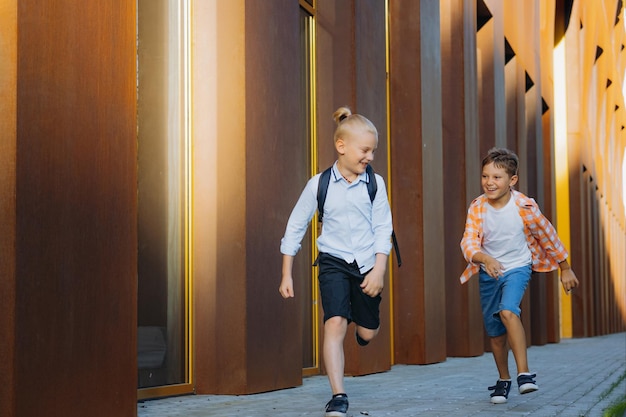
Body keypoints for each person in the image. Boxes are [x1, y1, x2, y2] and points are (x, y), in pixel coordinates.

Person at [279, 106, 393, 417]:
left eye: (373, 151)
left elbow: (384, 227)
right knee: (335, 323)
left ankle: (362, 324)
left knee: (367, 333)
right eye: (365, 150)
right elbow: (295, 226)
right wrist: (286, 273)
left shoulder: (375, 183)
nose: (369, 157)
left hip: (368, 264)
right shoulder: (319, 184)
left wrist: (379, 270)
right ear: (341, 147)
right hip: (333, 261)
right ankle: (338, 395)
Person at [459, 147, 580, 404]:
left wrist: (565, 267)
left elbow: (547, 235)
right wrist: (485, 259)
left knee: (508, 311)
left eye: (496, 177)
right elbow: (468, 242)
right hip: (488, 271)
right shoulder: (477, 207)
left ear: (512, 180)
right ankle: (504, 380)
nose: (489, 183)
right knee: (495, 333)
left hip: (518, 266)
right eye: (485, 176)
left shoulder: (525, 205)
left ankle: (525, 374)